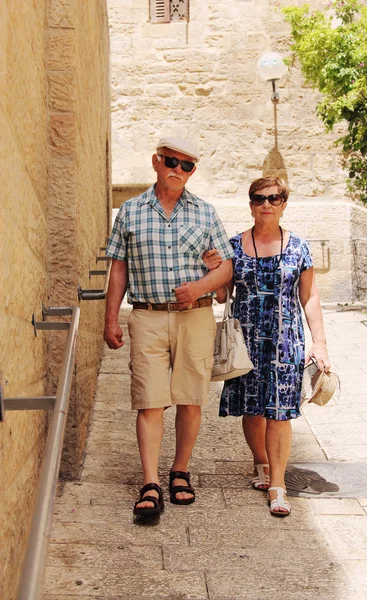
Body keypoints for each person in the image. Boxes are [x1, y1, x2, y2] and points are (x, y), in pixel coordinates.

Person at [104, 136, 234, 519]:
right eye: (171, 162)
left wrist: (200, 287)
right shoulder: (128, 212)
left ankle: (180, 470)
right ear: (156, 162)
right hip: (145, 316)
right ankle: (150, 482)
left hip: (195, 316)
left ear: (192, 171)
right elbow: (119, 269)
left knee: (191, 397)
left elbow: (226, 267)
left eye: (187, 165)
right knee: (150, 398)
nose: (178, 170)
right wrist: (111, 318)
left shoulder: (206, 213)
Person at [203, 176, 330, 517]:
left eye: (274, 198)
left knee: (280, 411)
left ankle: (278, 484)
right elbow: (220, 295)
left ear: (284, 203)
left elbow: (310, 296)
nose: (266, 205)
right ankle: (260, 462)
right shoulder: (233, 246)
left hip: (285, 341)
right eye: (259, 199)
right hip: (245, 341)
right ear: (251, 204)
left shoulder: (299, 247)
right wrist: (212, 269)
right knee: (253, 408)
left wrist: (319, 343)